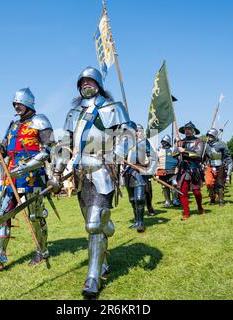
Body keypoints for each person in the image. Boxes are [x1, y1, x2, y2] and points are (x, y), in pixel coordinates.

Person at [52, 66, 136, 297]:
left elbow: (128, 132)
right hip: (81, 176)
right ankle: (106, 240)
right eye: (82, 82)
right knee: (94, 228)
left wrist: (117, 153)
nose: (86, 85)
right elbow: (64, 144)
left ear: (98, 84)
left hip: (103, 172)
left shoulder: (113, 108)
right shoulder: (73, 113)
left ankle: (92, 278)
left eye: (90, 81)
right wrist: (57, 171)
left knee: (92, 225)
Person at [0, 86, 55, 272]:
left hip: (33, 177)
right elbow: (4, 152)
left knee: (35, 216)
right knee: (2, 214)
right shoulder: (13, 125)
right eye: (14, 103)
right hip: (12, 178)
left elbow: (48, 150)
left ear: (28, 103)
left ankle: (42, 251)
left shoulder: (40, 121)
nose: (16, 106)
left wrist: (25, 166)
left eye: (19, 103)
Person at [122, 124, 157, 232]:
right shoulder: (126, 143)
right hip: (128, 173)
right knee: (132, 200)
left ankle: (141, 224)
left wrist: (150, 171)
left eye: (137, 131)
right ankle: (137, 221)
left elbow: (153, 157)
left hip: (139, 172)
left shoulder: (144, 142)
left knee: (139, 199)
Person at [175, 121, 204, 220]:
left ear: (193, 131)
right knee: (182, 192)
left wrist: (185, 151)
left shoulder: (198, 142)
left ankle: (200, 207)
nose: (187, 131)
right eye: (186, 129)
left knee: (196, 192)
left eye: (189, 129)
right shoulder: (181, 142)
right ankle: (186, 213)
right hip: (183, 169)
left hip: (194, 168)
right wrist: (177, 147)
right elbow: (174, 155)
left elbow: (198, 155)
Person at [203, 128, 233, 206]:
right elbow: (203, 157)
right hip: (210, 166)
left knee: (220, 184)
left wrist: (229, 168)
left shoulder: (222, 144)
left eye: (210, 136)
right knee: (208, 183)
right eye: (208, 136)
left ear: (215, 136)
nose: (209, 137)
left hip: (220, 166)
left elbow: (227, 156)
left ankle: (221, 201)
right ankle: (212, 198)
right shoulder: (206, 145)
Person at [156, 135, 179, 207]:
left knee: (174, 184)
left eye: (164, 142)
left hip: (172, 170)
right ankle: (167, 200)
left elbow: (179, 160)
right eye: (162, 142)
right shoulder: (159, 151)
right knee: (164, 186)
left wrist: (177, 168)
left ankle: (175, 200)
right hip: (162, 171)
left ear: (168, 142)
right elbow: (156, 161)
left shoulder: (173, 149)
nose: (163, 143)